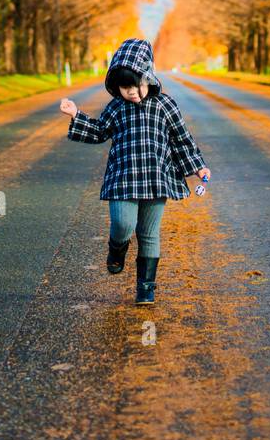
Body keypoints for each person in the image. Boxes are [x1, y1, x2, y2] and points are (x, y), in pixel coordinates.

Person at [59, 37, 210, 305]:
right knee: (123, 223)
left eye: (134, 84)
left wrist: (197, 167)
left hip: (156, 177)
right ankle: (117, 248)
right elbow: (98, 131)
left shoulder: (165, 105)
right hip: (123, 178)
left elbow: (181, 139)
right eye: (123, 86)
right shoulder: (116, 107)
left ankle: (146, 289)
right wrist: (75, 115)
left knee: (149, 234)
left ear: (148, 77)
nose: (130, 91)